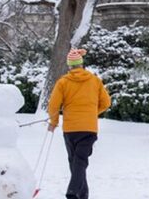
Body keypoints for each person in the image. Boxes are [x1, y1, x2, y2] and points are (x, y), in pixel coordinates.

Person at [48, 48, 112, 199]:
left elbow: (53, 106)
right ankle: (82, 195)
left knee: (76, 161)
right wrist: (91, 114)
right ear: (82, 64)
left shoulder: (63, 82)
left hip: (70, 129)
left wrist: (54, 122)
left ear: (69, 66)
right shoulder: (95, 80)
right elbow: (106, 102)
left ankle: (72, 191)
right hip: (89, 129)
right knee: (79, 161)